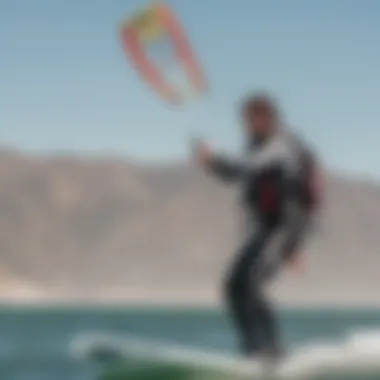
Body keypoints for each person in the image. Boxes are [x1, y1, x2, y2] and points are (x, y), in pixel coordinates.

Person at [193, 92, 322, 361]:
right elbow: (238, 175)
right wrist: (211, 164)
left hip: (286, 228)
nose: (246, 125)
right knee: (233, 286)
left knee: (251, 285)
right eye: (244, 120)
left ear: (268, 119)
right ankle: (252, 348)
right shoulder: (256, 144)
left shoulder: (283, 145)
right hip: (265, 230)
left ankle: (272, 350)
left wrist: (213, 159)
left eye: (251, 120)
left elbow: (246, 168)